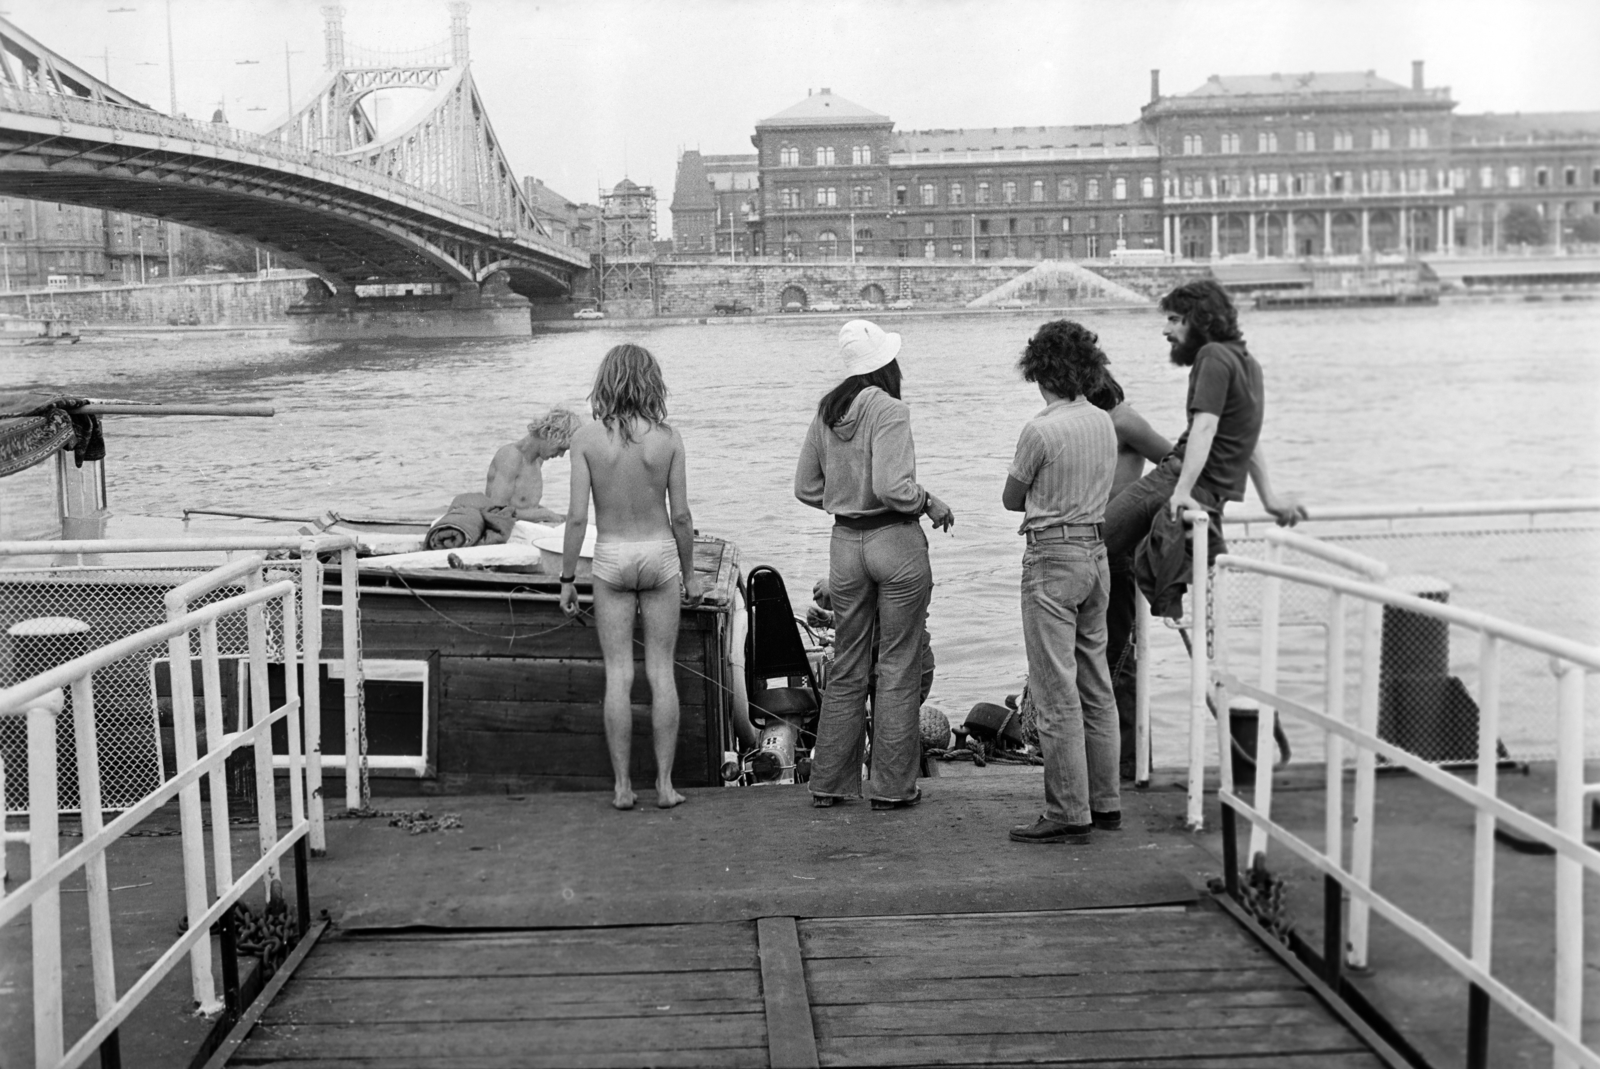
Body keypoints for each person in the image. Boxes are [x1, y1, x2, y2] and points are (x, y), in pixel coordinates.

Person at [795, 319, 954, 811]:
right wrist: (929, 501)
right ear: (886, 364)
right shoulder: (890, 410)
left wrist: (844, 497)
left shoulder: (828, 411)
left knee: (846, 667)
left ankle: (829, 785)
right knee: (898, 668)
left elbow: (804, 487)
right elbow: (893, 488)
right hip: (893, 540)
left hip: (845, 545)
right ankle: (890, 789)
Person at [558, 346, 702, 811]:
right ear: (652, 382)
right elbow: (680, 516)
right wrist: (691, 576)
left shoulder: (585, 439)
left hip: (612, 554)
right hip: (658, 553)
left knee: (618, 674)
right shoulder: (669, 439)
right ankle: (664, 786)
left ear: (606, 381)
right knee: (661, 672)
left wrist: (565, 578)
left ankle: (622, 788)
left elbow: (577, 519)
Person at [1003, 320, 1120, 845]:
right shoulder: (1103, 421)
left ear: (1039, 371)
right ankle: (1106, 801)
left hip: (1051, 555)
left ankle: (1068, 810)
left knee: (1055, 690)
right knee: (1096, 684)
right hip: (1097, 554)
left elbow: (1012, 497)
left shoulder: (1041, 429)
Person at [1104, 280, 1305, 576]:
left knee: (1090, 542)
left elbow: (1205, 426)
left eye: (1174, 320)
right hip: (1212, 491)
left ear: (1201, 319)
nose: (1165, 330)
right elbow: (1247, 438)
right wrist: (1270, 499)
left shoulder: (1211, 356)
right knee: (1206, 572)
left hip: (1178, 480)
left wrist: (1183, 490)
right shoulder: (1248, 363)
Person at [1084, 370, 1173, 781]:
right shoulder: (1089, 421)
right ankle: (1108, 761)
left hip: (1118, 550)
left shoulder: (1122, 418)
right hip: (1088, 547)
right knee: (1095, 659)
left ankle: (1131, 763)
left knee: (1119, 659)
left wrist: (1130, 504)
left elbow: (1175, 463)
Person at [486, 406, 581, 523]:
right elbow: (496, 510)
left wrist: (555, 516)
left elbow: (526, 507)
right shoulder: (511, 456)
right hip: (508, 530)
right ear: (547, 434)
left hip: (525, 528)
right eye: (560, 448)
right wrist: (543, 515)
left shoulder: (537, 461)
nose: (560, 455)